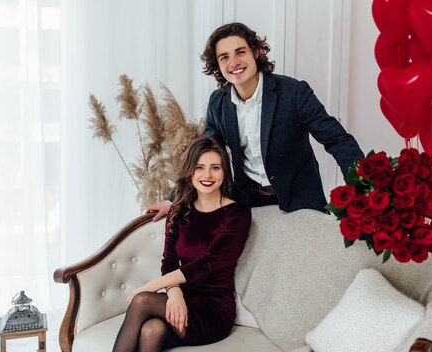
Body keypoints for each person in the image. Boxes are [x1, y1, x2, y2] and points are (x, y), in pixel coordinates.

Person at [148, 22, 363, 219]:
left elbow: (337, 139)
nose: (233, 62)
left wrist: (362, 183)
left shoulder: (294, 93)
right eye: (224, 57)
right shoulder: (218, 103)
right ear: (218, 65)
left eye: (240, 52)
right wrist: (172, 199)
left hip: (300, 199)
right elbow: (203, 155)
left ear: (256, 53)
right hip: (248, 203)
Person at [106, 136, 251, 352]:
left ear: (225, 173)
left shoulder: (237, 214)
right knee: (150, 331)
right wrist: (174, 293)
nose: (207, 176)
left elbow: (207, 263)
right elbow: (170, 260)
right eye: (200, 168)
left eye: (215, 168)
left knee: (142, 300)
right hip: (181, 299)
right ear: (190, 172)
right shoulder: (178, 211)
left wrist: (152, 286)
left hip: (213, 309)